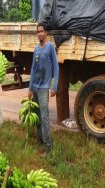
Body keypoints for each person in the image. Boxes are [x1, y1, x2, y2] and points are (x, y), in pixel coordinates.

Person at [28, 23, 59, 155]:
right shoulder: (36, 49)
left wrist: (55, 86)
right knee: (37, 116)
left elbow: (56, 68)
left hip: (44, 87)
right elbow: (33, 69)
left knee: (45, 117)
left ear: (46, 33)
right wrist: (30, 88)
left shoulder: (50, 47)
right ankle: (39, 139)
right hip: (35, 87)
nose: (40, 33)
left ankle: (48, 147)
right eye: (38, 32)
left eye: (42, 31)